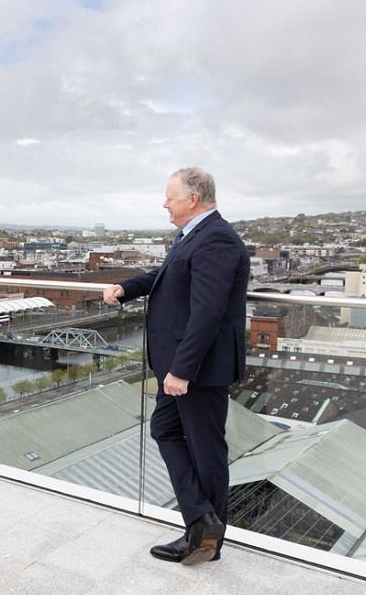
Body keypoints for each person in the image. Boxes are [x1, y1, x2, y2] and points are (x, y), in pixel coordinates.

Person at [102, 167, 248, 565]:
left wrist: (182, 370)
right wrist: (126, 288)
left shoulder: (215, 238)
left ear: (193, 199)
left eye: (170, 197)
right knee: (166, 430)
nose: (164, 203)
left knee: (206, 451)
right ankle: (201, 520)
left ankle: (207, 539)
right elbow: (167, 278)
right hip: (180, 365)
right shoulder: (193, 235)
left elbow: (207, 312)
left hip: (197, 368)